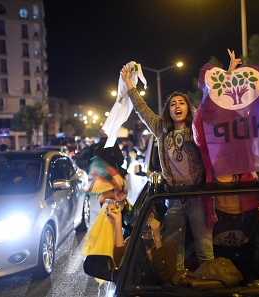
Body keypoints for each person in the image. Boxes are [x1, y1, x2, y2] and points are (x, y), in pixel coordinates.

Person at [120, 62, 213, 269]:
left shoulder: (196, 129)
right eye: (173, 104)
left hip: (197, 196)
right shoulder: (161, 130)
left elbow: (212, 105)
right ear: (168, 110)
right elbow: (141, 109)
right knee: (174, 249)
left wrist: (229, 77)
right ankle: (177, 283)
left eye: (181, 103)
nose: (177, 106)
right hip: (173, 198)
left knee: (205, 248)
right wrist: (128, 83)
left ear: (188, 108)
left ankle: (210, 283)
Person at [107, 201, 178, 284]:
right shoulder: (133, 242)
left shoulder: (169, 242)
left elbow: (168, 278)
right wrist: (118, 221)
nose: (147, 229)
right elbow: (118, 266)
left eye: (151, 224)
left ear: (161, 226)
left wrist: (157, 239)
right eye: (143, 225)